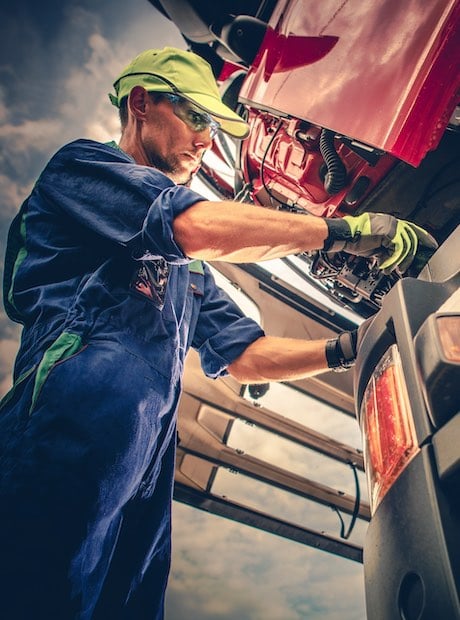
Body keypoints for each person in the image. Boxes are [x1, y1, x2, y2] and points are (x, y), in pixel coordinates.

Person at [0, 47, 437, 620]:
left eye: (215, 125)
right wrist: (344, 231)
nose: (207, 140)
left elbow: (246, 354)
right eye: (198, 118)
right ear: (141, 104)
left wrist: (353, 346)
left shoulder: (189, 270)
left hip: (146, 452)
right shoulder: (84, 168)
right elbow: (192, 225)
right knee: (34, 586)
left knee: (127, 604)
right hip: (74, 407)